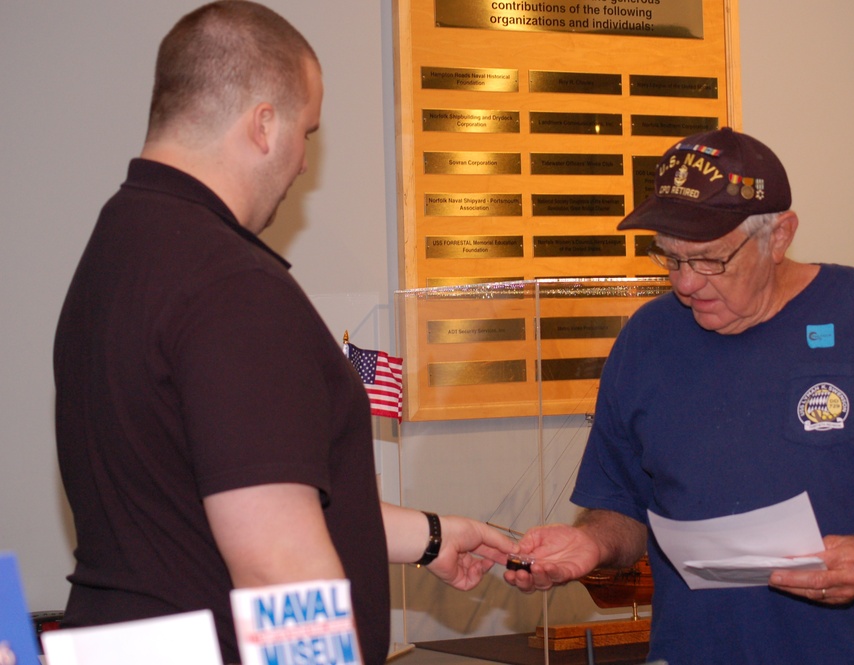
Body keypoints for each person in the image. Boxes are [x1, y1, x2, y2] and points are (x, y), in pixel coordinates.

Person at [52, 3, 515, 664]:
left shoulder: (118, 244)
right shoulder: (230, 284)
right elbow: (279, 569)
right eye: (308, 130)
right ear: (264, 124)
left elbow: (224, 494)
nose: (303, 162)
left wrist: (435, 537)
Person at [504, 127, 854, 663]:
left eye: (710, 260)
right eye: (670, 258)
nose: (687, 283)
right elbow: (622, 509)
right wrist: (590, 545)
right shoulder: (647, 340)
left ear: (779, 236)